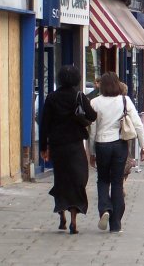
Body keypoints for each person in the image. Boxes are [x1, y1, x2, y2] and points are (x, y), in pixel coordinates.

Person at [39, 65, 97, 234]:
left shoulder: (51, 98)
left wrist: (44, 147)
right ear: (77, 79)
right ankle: (73, 220)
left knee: (62, 180)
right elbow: (92, 116)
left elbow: (44, 124)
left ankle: (61, 216)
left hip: (58, 146)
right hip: (75, 145)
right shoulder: (79, 96)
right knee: (78, 180)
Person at [89, 72, 144, 233]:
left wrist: (92, 152)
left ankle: (105, 209)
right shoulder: (124, 100)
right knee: (117, 182)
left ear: (101, 85)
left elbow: (92, 130)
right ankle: (116, 224)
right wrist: (143, 146)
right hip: (119, 144)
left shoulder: (94, 102)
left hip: (101, 144)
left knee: (102, 180)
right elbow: (137, 124)